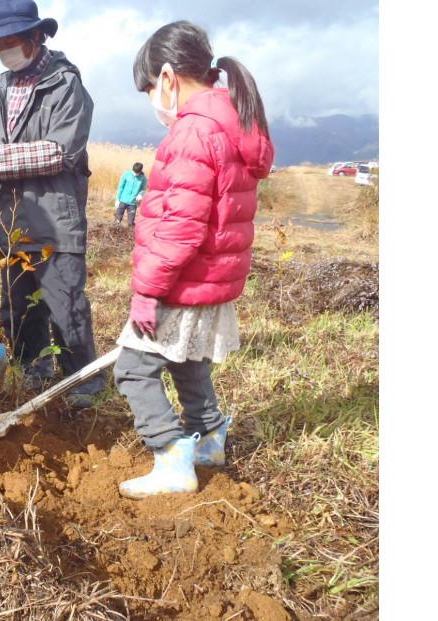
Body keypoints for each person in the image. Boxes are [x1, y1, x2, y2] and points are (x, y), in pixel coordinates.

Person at [114, 21, 273, 498]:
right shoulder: (232, 122)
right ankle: (209, 440)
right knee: (187, 360)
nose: (151, 99)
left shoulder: (193, 133)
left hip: (182, 279)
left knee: (133, 368)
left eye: (148, 88)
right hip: (213, 279)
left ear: (167, 77)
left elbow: (180, 228)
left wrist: (147, 290)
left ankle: (171, 457)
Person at [0, 0, 101, 409]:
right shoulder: (0, 88)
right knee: (18, 313)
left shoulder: (65, 85)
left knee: (66, 310)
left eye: (11, 40)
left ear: (37, 35)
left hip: (55, 223)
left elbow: (58, 152)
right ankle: (31, 375)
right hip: (11, 224)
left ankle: (84, 389)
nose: (4, 49)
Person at [114, 162, 147, 227]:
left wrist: (140, 194)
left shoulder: (143, 178)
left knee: (131, 223)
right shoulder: (126, 174)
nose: (135, 174)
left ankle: (130, 235)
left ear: (140, 171)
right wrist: (117, 199)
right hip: (123, 201)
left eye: (137, 173)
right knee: (117, 221)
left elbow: (143, 189)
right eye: (134, 172)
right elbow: (121, 187)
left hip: (133, 203)